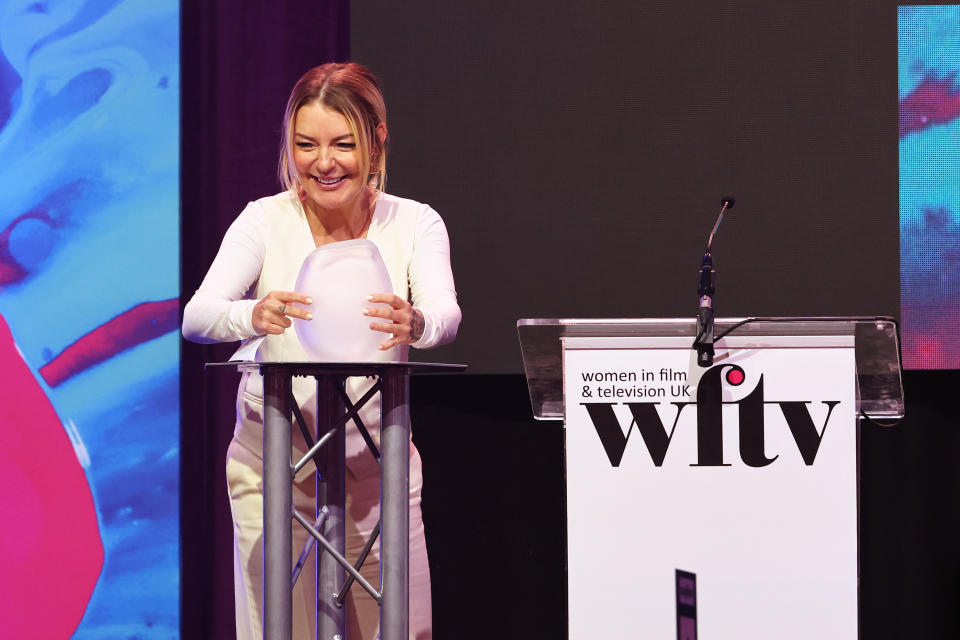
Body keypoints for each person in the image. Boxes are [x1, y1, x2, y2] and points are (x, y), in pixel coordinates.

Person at [182, 62, 461, 640]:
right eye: (306, 145)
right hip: (273, 467)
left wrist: (417, 321)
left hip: (376, 472)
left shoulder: (414, 222)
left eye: (342, 144)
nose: (324, 163)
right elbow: (198, 316)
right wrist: (250, 315)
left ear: (377, 141)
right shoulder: (264, 220)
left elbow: (446, 315)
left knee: (403, 630)